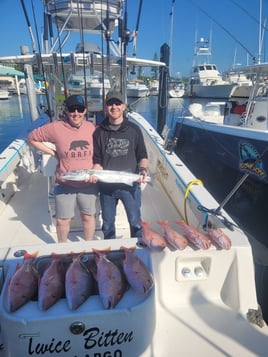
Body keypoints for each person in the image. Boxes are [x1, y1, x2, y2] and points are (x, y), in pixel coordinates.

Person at [27, 95, 98, 243]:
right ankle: (62, 248)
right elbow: (32, 138)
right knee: (62, 220)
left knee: (88, 216)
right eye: (72, 109)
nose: (76, 113)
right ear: (66, 110)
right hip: (65, 182)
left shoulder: (91, 128)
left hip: (88, 183)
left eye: (80, 109)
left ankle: (89, 245)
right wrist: (53, 153)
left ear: (85, 111)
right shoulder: (55, 128)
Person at [93, 90, 148, 240]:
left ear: (124, 106)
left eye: (117, 103)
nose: (114, 107)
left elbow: (142, 155)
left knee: (136, 222)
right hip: (107, 187)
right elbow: (96, 159)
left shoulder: (134, 129)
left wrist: (143, 169)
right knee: (108, 223)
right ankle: (109, 253)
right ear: (106, 107)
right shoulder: (98, 133)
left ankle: (137, 249)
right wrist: (96, 168)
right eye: (110, 104)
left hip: (129, 185)